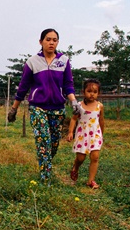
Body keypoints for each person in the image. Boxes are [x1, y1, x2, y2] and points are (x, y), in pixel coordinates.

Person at [7, 28, 81, 185]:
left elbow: (68, 85)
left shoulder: (64, 61)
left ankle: (45, 165)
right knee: (43, 141)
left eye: (54, 40)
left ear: (58, 42)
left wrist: (74, 101)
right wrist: (14, 108)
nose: (51, 42)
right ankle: (45, 179)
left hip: (57, 108)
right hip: (38, 108)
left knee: (53, 144)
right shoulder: (32, 62)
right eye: (48, 39)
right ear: (41, 42)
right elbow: (23, 87)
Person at [67, 78, 105, 189]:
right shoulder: (79, 106)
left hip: (95, 135)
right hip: (82, 135)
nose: (92, 94)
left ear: (98, 93)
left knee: (95, 157)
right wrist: (70, 132)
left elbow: (101, 121)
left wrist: (101, 135)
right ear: (84, 92)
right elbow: (74, 119)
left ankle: (91, 181)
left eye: (95, 92)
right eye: (89, 91)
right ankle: (75, 168)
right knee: (81, 158)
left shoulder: (100, 106)